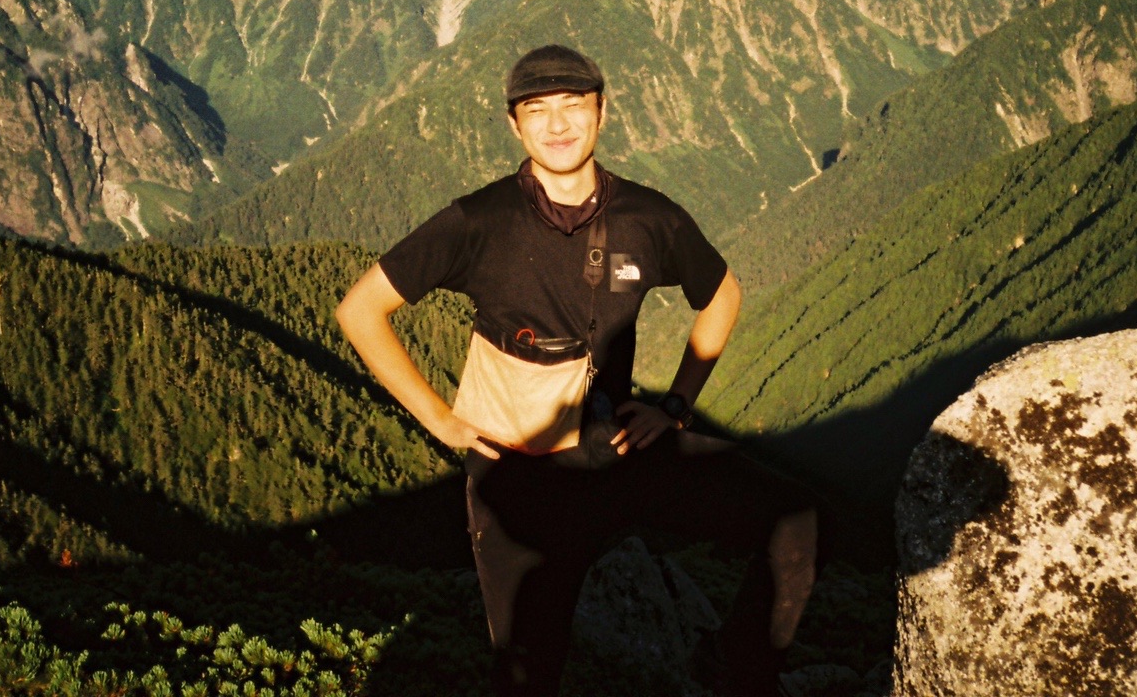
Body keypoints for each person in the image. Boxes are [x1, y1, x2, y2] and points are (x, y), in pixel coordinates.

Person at [336, 44, 827, 697]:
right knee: (526, 678)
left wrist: (676, 405)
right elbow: (361, 310)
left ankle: (738, 674)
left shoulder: (647, 218)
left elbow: (723, 295)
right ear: (514, 125)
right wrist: (439, 419)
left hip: (618, 451)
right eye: (537, 110)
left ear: (602, 112)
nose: (558, 124)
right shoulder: (479, 221)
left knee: (793, 521)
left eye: (573, 105)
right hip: (519, 478)